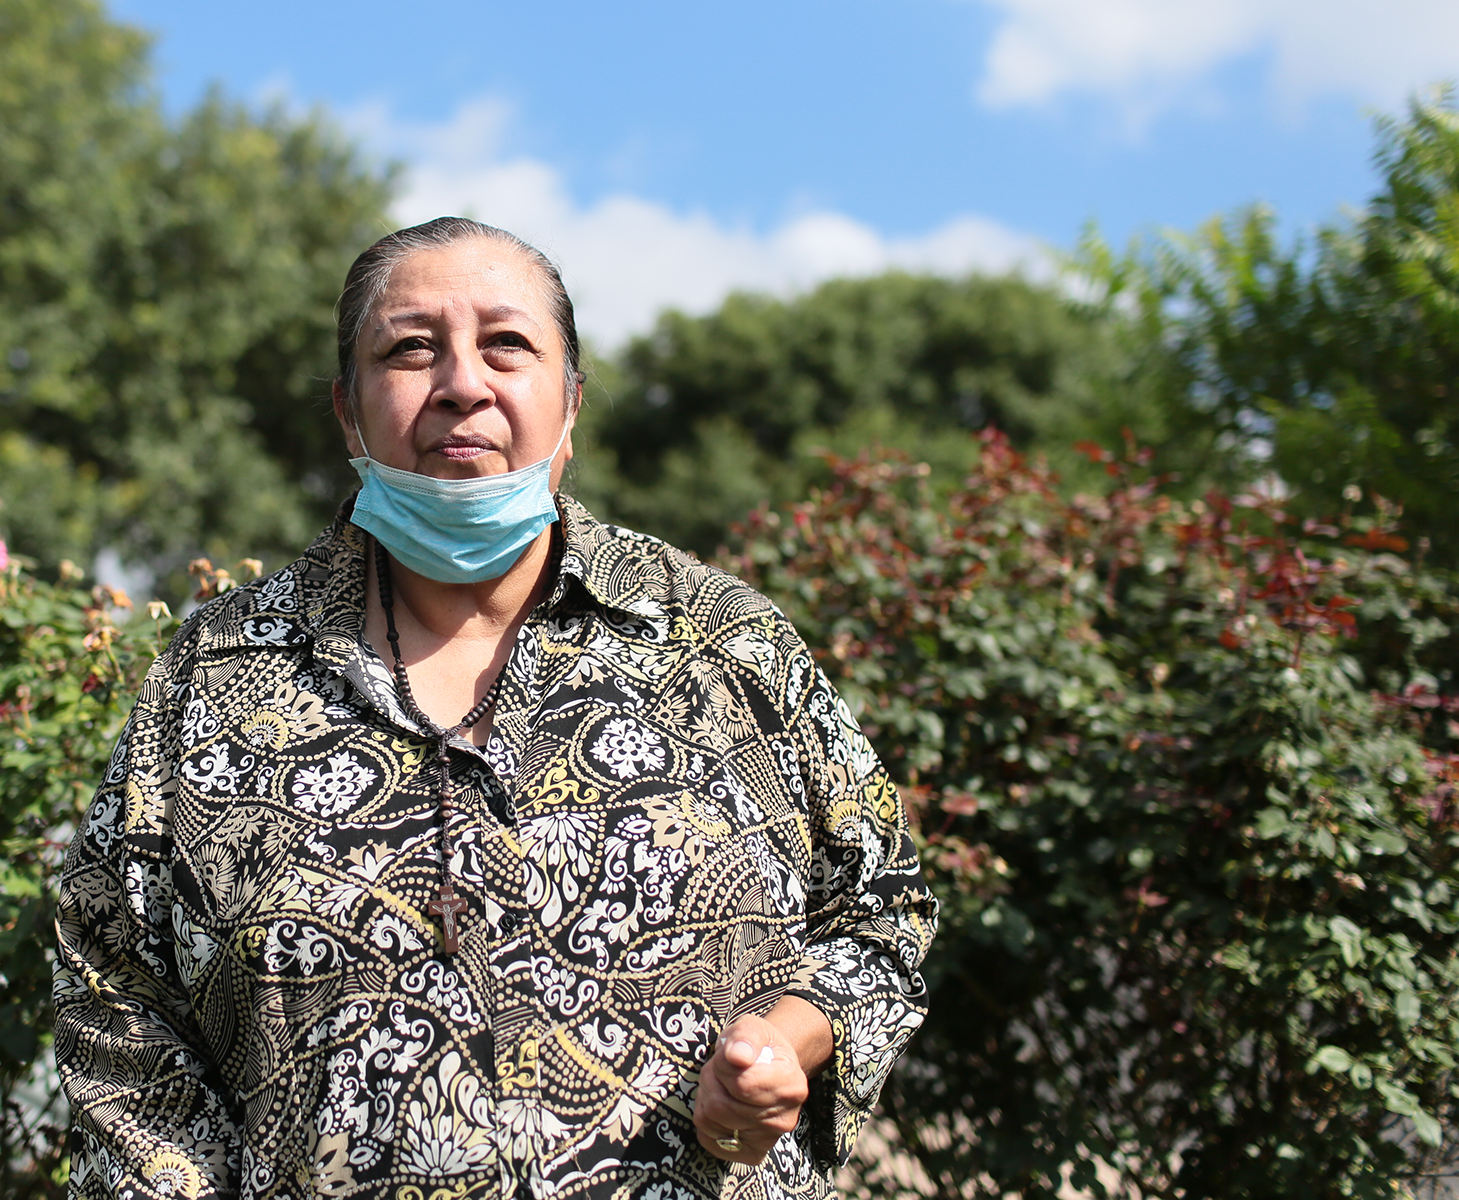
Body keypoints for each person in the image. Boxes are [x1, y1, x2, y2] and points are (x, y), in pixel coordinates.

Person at [53, 217, 935, 1200]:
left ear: (571, 400)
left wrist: (785, 1047)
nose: (462, 384)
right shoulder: (216, 675)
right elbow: (112, 990)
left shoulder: (723, 644)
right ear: (349, 412)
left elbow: (880, 903)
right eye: (409, 349)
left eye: (507, 344)